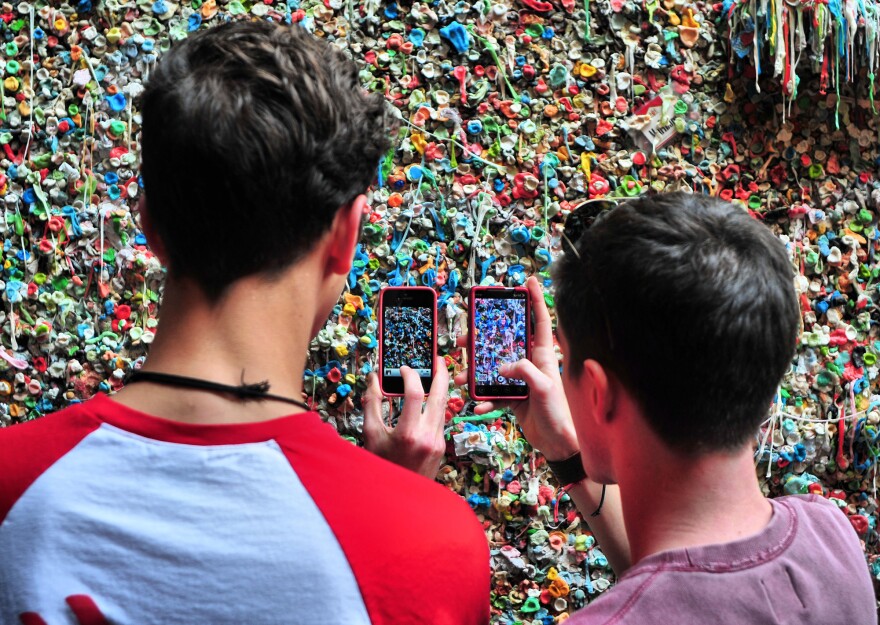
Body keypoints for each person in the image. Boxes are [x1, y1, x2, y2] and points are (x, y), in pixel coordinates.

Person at [0, 21, 488, 625]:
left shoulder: (10, 484)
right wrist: (388, 515)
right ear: (346, 235)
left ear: (149, 226)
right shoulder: (435, 545)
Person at [456, 193, 876, 623]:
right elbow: (674, 589)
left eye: (564, 359)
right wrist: (566, 450)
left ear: (599, 392)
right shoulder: (831, 534)